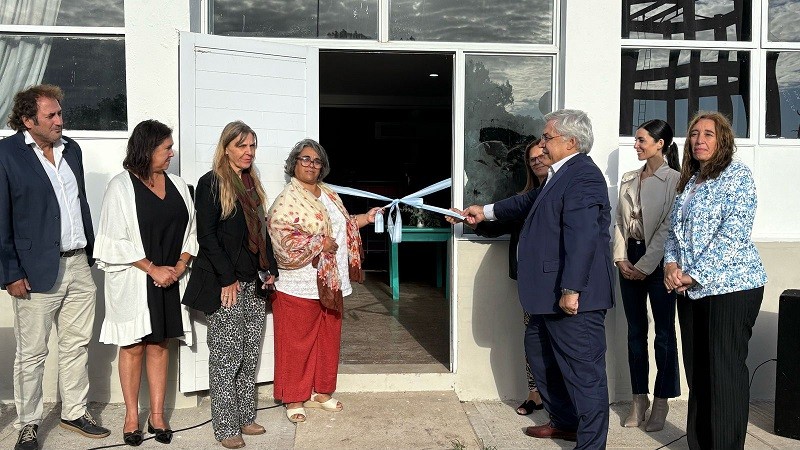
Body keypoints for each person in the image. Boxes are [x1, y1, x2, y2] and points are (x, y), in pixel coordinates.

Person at [462, 109, 613, 449]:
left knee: (585, 376)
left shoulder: (583, 176)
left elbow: (583, 237)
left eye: (547, 137)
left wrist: (572, 289)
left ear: (570, 142)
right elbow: (523, 202)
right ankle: (564, 423)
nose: (541, 144)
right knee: (541, 359)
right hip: (543, 297)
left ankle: (591, 444)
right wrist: (482, 211)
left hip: (572, 297)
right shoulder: (558, 176)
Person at [0, 84, 110, 450]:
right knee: (31, 354)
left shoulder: (71, 149)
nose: (60, 121)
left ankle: (74, 411)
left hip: (78, 262)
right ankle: (28, 423)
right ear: (28, 120)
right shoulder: (7, 154)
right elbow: (2, 218)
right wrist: (11, 271)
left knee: (76, 345)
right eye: (51, 115)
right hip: (34, 270)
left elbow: (77, 202)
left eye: (60, 113)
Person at [663, 111, 767, 450]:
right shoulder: (690, 180)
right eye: (694, 134)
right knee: (699, 375)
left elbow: (732, 235)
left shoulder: (738, 176)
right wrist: (671, 265)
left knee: (723, 374)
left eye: (708, 134)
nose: (699, 140)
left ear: (722, 140)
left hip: (733, 287)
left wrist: (695, 274)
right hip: (690, 290)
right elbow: (674, 232)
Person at [94, 119, 198, 446]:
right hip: (136, 280)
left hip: (170, 280)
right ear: (148, 149)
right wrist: (153, 269)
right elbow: (111, 240)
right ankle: (130, 416)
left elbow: (191, 231)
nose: (172, 153)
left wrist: (180, 265)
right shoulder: (120, 187)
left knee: (160, 343)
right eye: (166, 147)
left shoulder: (179, 185)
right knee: (133, 346)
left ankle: (157, 415)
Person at [267, 138, 381, 424]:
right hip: (299, 282)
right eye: (305, 159)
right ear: (294, 163)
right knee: (297, 342)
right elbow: (280, 237)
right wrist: (318, 243)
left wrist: (366, 219)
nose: (311, 165)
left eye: (316, 161)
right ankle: (294, 397)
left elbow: (341, 227)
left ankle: (321, 393)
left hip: (332, 281)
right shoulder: (287, 199)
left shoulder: (329, 195)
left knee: (328, 338)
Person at [182, 121, 278, 450]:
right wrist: (228, 278)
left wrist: (271, 270)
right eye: (241, 146)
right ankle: (225, 425)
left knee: (249, 354)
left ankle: (246, 415)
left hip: (255, 282)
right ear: (226, 148)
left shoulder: (253, 183)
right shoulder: (211, 183)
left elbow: (262, 234)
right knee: (227, 355)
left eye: (252, 146)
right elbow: (207, 237)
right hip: (227, 283)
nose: (248, 152)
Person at [447, 139, 549, 415]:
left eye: (541, 155)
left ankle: (559, 397)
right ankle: (535, 394)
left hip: (556, 283)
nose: (537, 161)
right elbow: (496, 226)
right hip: (529, 283)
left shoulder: (559, 194)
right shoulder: (524, 197)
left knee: (557, 340)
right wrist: (467, 220)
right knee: (533, 338)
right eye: (532, 159)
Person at [612, 119, 681, 432]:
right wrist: (621, 257)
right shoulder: (628, 178)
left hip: (660, 262)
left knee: (664, 335)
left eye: (641, 141)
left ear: (660, 144)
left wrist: (645, 265)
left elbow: (668, 228)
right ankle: (638, 398)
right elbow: (617, 222)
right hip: (629, 259)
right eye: (636, 140)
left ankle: (662, 401)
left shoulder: (675, 180)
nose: (636, 146)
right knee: (635, 332)